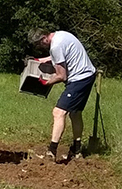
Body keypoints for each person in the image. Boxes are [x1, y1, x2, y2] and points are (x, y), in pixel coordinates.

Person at [27, 28, 97, 160]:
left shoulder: (55, 46)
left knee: (58, 112)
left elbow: (61, 76)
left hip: (79, 80)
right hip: (88, 75)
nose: (40, 47)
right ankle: (77, 150)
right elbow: (59, 57)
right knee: (75, 113)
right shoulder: (61, 35)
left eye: (39, 44)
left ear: (44, 38)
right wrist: (40, 60)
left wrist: (45, 83)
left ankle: (51, 152)